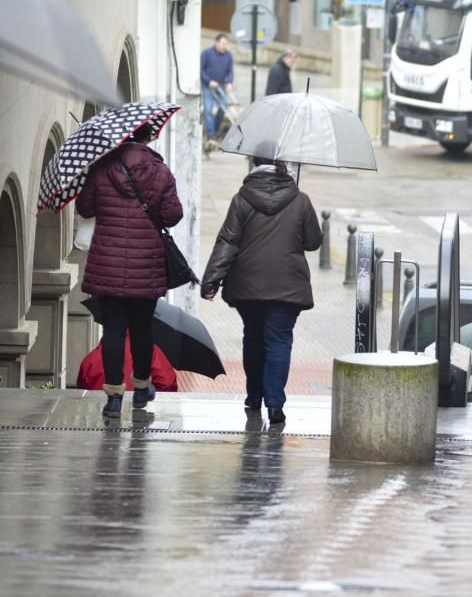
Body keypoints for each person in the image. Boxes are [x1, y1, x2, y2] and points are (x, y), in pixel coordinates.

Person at [201, 152, 322, 425]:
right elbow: (313, 241)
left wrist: (212, 280)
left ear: (254, 165)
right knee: (279, 341)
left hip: (247, 286)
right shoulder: (300, 200)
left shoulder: (241, 199)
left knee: (253, 338)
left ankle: (254, 397)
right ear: (283, 166)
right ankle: (276, 404)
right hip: (287, 286)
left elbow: (227, 242)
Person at [76, 123, 183, 417]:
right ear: (149, 136)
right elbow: (173, 215)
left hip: (107, 263)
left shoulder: (101, 168)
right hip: (146, 265)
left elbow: (85, 209)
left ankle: (113, 397)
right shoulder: (160, 171)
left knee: (112, 328)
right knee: (141, 328)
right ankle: (141, 388)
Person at [201, 33, 235, 143]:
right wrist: (209, 81)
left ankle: (214, 130)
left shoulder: (228, 55)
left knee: (224, 106)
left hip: (221, 86)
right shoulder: (206, 53)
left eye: (226, 44)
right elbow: (201, 70)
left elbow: (230, 71)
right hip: (208, 86)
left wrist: (229, 82)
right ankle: (211, 135)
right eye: (223, 44)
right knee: (208, 111)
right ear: (216, 42)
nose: (224, 46)